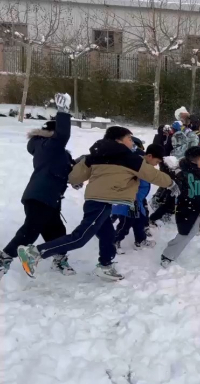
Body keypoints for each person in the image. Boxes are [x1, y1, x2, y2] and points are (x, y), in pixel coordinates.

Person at [16, 126, 178, 281]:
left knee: (107, 236)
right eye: (129, 138)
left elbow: (75, 176)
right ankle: (35, 253)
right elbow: (151, 174)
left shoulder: (96, 154)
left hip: (98, 201)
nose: (132, 142)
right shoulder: (129, 158)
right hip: (101, 203)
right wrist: (171, 183)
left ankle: (105, 265)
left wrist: (78, 179)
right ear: (119, 140)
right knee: (80, 237)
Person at [0, 93, 76, 277]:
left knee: (57, 230)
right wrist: (63, 112)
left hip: (47, 198)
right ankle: (4, 258)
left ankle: (59, 258)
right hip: (42, 196)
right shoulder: (50, 145)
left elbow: (66, 167)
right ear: (53, 133)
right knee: (32, 229)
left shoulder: (51, 151)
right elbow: (62, 135)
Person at [113, 144, 165, 254]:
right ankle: (114, 241)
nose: (156, 165)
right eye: (156, 162)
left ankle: (140, 241)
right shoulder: (137, 165)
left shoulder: (146, 166)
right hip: (129, 201)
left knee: (140, 221)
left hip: (138, 201)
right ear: (150, 156)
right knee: (126, 223)